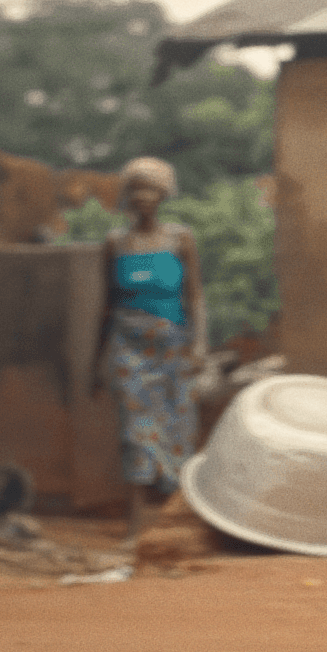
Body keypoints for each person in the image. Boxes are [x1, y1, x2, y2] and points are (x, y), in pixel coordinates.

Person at [93, 157, 206, 541]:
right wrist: (97, 361)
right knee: (135, 432)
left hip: (172, 346)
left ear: (163, 196)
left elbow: (195, 297)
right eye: (137, 189)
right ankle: (135, 523)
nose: (143, 197)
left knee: (178, 428)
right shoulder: (115, 244)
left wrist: (200, 345)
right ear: (128, 196)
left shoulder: (180, 239)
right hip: (129, 347)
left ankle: (176, 522)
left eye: (151, 190)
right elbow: (106, 305)